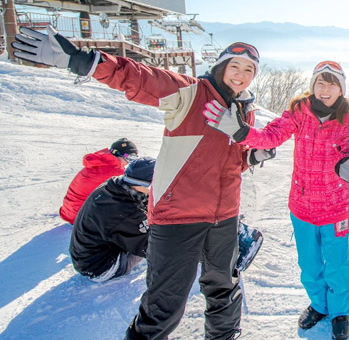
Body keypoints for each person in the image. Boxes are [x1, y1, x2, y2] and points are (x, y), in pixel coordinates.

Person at [12, 27, 273, 340]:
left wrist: (252, 157)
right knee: (165, 303)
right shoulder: (191, 92)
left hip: (224, 215)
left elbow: (230, 162)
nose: (241, 75)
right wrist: (87, 61)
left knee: (224, 287)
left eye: (249, 70)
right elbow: (140, 78)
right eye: (235, 66)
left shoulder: (246, 110)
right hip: (179, 216)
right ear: (221, 67)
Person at [204, 60, 349, 340]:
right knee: (310, 264)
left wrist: (346, 162)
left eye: (332, 83)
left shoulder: (348, 116)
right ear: (312, 86)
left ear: (341, 89)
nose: (325, 89)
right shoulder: (299, 111)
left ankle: (341, 312)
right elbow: (273, 134)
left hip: (337, 208)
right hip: (303, 207)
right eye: (320, 82)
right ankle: (319, 305)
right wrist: (242, 132)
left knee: (339, 264)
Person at [70, 156, 155, 281]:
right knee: (159, 240)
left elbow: (142, 201)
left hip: (84, 258)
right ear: (145, 184)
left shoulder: (116, 185)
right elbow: (152, 248)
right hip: (101, 268)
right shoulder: (125, 212)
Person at [60, 138, 139, 224]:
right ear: (117, 154)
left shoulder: (99, 162)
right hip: (81, 217)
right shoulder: (115, 171)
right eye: (129, 158)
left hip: (69, 211)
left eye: (133, 159)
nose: (128, 162)